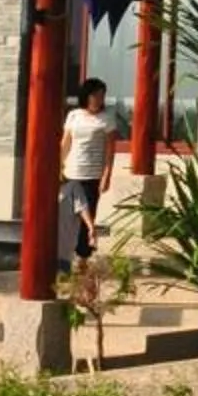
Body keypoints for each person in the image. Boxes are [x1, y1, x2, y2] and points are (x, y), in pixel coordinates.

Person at [62, 77, 115, 261]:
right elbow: (66, 143)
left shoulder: (106, 119)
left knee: (87, 217)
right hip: (71, 173)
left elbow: (110, 151)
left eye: (102, 96)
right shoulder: (73, 115)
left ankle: (83, 256)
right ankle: (68, 255)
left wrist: (106, 175)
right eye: (96, 95)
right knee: (70, 217)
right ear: (87, 96)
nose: (99, 99)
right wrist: (57, 165)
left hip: (92, 175)